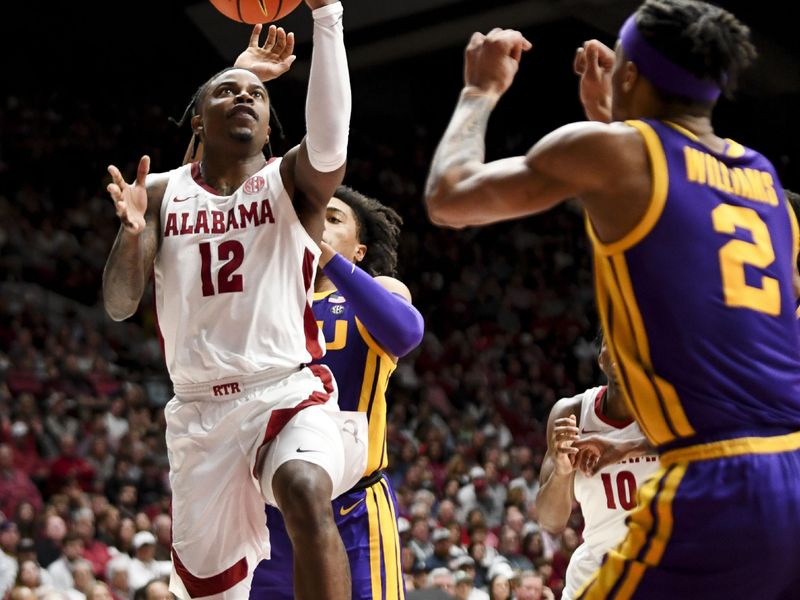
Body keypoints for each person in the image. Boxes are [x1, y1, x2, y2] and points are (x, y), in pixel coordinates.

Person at [424, 1, 800, 597]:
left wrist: (480, 89)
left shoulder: (615, 154)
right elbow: (669, 207)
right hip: (790, 471)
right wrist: (610, 115)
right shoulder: (764, 183)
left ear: (631, 74)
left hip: (715, 480)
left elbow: (449, 196)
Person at [101, 1, 368, 597]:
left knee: (302, 485)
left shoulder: (290, 183)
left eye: (258, 96)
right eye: (228, 93)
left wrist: (328, 16)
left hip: (287, 390)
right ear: (197, 121)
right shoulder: (164, 194)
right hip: (199, 414)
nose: (245, 97)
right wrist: (133, 233)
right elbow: (120, 304)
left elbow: (329, 141)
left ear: (272, 126)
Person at [251, 186, 424, 599]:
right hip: (270, 508)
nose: (317, 224)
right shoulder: (266, 297)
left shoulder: (379, 290)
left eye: (332, 218)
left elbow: (405, 332)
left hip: (354, 508)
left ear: (359, 251)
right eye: (311, 216)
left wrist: (325, 255)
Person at [536, 334, 658, 599]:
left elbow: (707, 443)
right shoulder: (572, 412)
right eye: (612, 345)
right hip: (596, 574)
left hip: (661, 570)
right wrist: (562, 471)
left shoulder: (670, 410)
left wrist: (624, 448)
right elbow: (550, 521)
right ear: (601, 357)